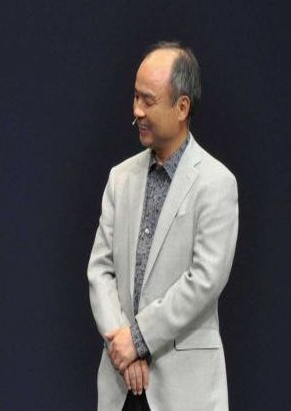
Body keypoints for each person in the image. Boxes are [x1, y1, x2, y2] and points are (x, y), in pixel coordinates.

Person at [87, 41, 238, 410]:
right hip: (120, 384)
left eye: (148, 100)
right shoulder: (120, 178)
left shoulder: (216, 182)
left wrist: (139, 338)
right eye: (135, 97)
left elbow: (204, 280)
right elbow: (100, 270)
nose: (136, 110)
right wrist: (122, 345)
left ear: (182, 107)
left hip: (185, 391)